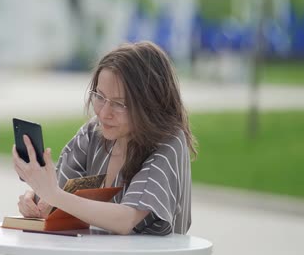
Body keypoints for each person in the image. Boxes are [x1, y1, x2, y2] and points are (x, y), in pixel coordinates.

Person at [12, 41, 197, 235]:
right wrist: (37, 199)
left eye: (119, 104)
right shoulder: (93, 132)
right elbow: (59, 194)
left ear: (150, 105)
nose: (104, 113)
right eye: (99, 97)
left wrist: (54, 195)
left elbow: (126, 219)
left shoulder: (168, 141)